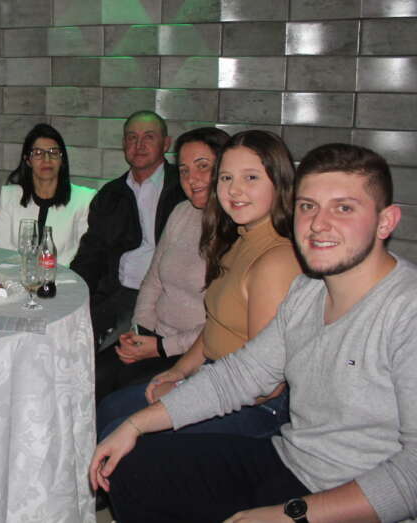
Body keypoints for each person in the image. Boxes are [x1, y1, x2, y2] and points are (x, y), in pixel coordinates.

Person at [90, 144, 417, 523]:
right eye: (308, 206)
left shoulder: (406, 311)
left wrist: (288, 515)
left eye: (343, 208)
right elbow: (240, 375)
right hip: (293, 461)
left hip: (359, 496)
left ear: (385, 221)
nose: (318, 224)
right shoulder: (308, 290)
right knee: (131, 466)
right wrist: (135, 424)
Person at [96, 129, 301, 441]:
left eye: (250, 177)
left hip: (250, 403)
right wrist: (160, 352)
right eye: (227, 178)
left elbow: (264, 381)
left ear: (280, 180)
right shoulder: (240, 239)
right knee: (104, 398)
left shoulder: (274, 259)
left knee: (120, 425)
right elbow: (209, 322)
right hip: (205, 367)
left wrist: (181, 384)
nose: (235, 189)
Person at [94, 127, 229, 402]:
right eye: (184, 170)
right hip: (154, 337)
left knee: (118, 401)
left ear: (225, 169)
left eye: (203, 166)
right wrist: (139, 330)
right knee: (88, 377)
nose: (192, 179)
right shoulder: (181, 212)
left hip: (192, 354)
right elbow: (153, 279)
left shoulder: (235, 230)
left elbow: (223, 324)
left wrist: (161, 347)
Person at [71, 111, 185, 348]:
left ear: (166, 144)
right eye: (132, 137)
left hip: (166, 297)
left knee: (112, 355)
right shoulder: (110, 194)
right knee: (72, 341)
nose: (139, 145)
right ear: (124, 144)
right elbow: (91, 254)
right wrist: (71, 294)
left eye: (149, 137)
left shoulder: (183, 188)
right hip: (119, 292)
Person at [0, 123, 95, 265]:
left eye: (53, 152)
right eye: (38, 153)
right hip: (15, 276)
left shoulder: (83, 199)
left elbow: (84, 258)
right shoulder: (9, 196)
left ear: (62, 159)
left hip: (64, 278)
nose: (47, 159)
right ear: (28, 160)